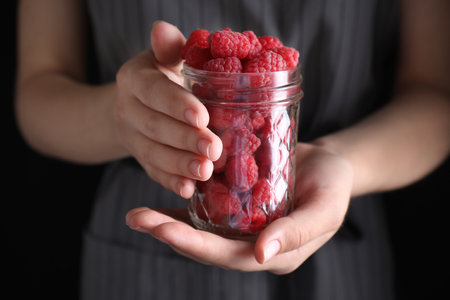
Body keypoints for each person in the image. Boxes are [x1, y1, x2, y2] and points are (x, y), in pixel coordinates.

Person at [15, 0, 449, 299]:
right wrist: (122, 116)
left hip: (342, 254)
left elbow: (435, 97)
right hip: (146, 254)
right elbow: (37, 94)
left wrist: (343, 162)